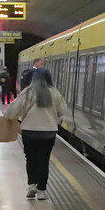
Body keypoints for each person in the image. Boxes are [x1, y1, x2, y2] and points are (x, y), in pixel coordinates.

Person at [6, 68, 67, 200]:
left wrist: (13, 116)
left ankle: (32, 185)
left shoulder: (28, 92)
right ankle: (42, 191)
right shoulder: (54, 93)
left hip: (30, 131)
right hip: (49, 133)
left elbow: (12, 110)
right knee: (44, 161)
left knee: (31, 158)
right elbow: (63, 111)